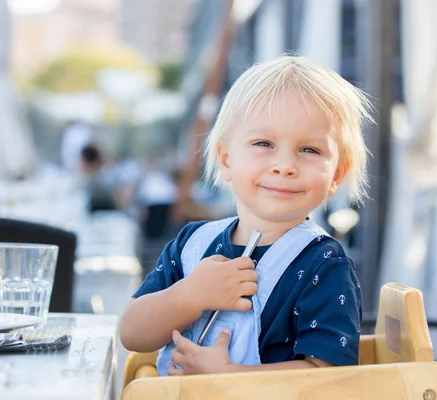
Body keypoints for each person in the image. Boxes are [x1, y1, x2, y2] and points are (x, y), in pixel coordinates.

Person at [119, 56, 373, 376]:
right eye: (263, 143)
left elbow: (328, 376)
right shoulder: (191, 244)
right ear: (226, 160)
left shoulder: (323, 263)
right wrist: (189, 296)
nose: (284, 165)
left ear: (337, 174)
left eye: (309, 150)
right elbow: (131, 334)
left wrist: (229, 378)